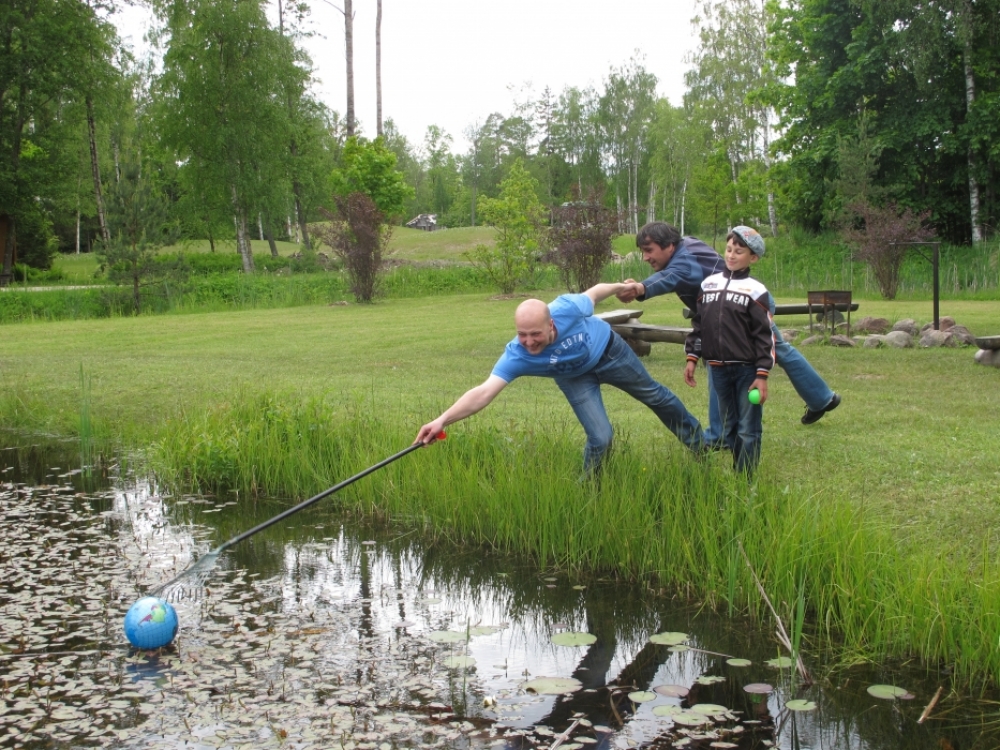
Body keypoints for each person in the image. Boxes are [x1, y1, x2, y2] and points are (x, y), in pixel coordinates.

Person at [414, 282, 706, 474]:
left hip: (609, 352)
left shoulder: (566, 308)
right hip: (573, 377)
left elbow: (595, 292)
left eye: (535, 334)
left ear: (551, 324)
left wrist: (623, 287)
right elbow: (483, 392)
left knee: (656, 396)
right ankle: (590, 489)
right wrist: (442, 420)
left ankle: (701, 447)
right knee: (601, 438)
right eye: (522, 334)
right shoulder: (517, 355)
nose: (529, 341)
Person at [616, 222, 841, 448]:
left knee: (731, 360)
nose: (645, 257)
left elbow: (671, 276)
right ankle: (821, 398)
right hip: (733, 309)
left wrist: (640, 288)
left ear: (670, 246)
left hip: (744, 306)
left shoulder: (683, 262)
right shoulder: (688, 244)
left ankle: (720, 435)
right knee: (771, 352)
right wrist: (640, 285)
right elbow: (671, 274)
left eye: (649, 250)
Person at [683, 226, 774, 476]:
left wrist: (762, 374)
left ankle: (745, 479)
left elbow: (764, 335)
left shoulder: (756, 291)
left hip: (747, 371)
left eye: (739, 252)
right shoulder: (708, 285)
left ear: (753, 258)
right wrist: (693, 357)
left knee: (748, 427)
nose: (731, 255)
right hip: (717, 369)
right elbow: (699, 325)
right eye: (729, 249)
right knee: (727, 425)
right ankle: (737, 472)